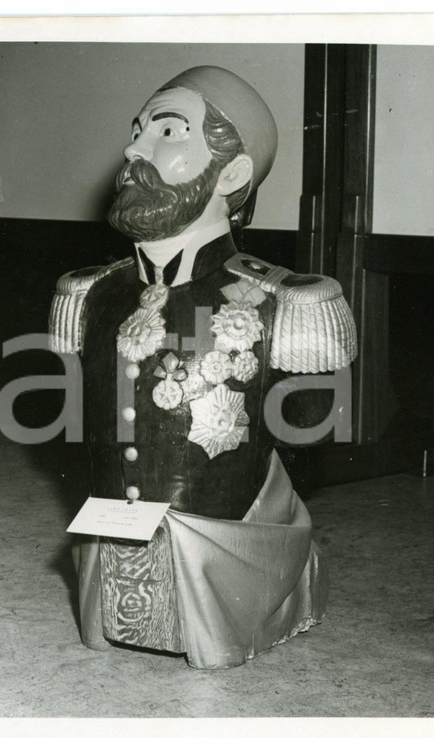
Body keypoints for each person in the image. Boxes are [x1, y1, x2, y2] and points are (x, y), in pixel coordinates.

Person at [49, 66, 357, 668]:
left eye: (168, 131)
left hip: (228, 552)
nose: (135, 148)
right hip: (111, 534)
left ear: (234, 172)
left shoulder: (288, 301)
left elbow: (310, 429)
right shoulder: (87, 294)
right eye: (138, 131)